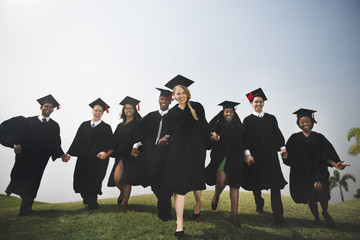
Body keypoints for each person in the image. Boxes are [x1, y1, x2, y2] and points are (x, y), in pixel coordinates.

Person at [158, 75, 220, 237]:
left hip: (195, 150)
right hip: (177, 152)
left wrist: (212, 135)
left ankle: (197, 204)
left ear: (187, 93)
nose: (180, 96)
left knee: (196, 184)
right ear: (174, 96)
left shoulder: (197, 107)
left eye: (182, 92)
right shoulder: (171, 113)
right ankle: (180, 224)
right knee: (179, 187)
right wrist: (165, 138)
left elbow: (204, 125)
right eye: (177, 94)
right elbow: (169, 133)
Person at [0, 94, 70, 216]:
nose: (48, 108)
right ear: (41, 107)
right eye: (46, 106)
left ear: (53, 110)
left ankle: (25, 208)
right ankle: (24, 205)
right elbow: (18, 135)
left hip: (40, 160)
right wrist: (15, 145)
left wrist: (62, 155)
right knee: (20, 178)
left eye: (50, 107)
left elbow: (55, 144)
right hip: (25, 158)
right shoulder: (28, 121)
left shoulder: (54, 126)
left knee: (33, 183)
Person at [282, 108, 350, 228]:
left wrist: (335, 164)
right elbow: (288, 155)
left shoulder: (319, 137)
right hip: (302, 172)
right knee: (310, 196)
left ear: (312, 122)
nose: (305, 124)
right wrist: (285, 156)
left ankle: (325, 211)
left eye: (307, 121)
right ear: (298, 123)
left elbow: (326, 154)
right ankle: (317, 218)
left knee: (319, 186)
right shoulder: (294, 137)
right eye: (302, 122)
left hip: (318, 170)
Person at [242, 88, 287, 224]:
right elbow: (245, 139)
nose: (258, 104)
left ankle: (278, 216)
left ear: (263, 103)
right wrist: (247, 154)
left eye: (260, 102)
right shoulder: (247, 120)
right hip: (255, 157)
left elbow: (277, 134)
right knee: (256, 184)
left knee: (275, 185)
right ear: (251, 103)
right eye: (256, 102)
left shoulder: (271, 118)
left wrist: (283, 148)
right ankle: (259, 202)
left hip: (270, 157)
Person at [131, 88, 173, 221]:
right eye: (162, 99)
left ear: (170, 101)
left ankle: (165, 212)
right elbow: (140, 134)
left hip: (167, 155)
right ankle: (164, 202)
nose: (164, 101)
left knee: (165, 182)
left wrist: (168, 137)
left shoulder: (173, 117)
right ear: (158, 100)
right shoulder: (150, 116)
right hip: (151, 155)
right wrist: (135, 146)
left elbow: (178, 132)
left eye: (166, 100)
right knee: (154, 183)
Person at [67, 98, 113, 210]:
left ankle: (93, 201)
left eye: (100, 111)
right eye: (96, 110)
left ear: (103, 113)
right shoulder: (84, 125)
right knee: (82, 177)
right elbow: (77, 140)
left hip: (97, 160)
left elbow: (110, 143)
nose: (97, 113)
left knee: (94, 179)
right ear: (92, 111)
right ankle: (86, 197)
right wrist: (68, 154)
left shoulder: (106, 128)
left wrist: (105, 152)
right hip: (84, 158)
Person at [97, 96, 142, 212]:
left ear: (135, 110)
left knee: (126, 180)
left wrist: (137, 149)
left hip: (131, 155)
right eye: (126, 108)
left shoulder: (138, 123)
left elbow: (141, 139)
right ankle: (122, 193)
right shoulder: (120, 126)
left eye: (131, 108)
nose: (129, 110)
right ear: (123, 110)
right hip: (120, 155)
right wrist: (106, 154)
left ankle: (125, 204)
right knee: (117, 179)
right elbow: (114, 142)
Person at [205, 100, 245, 227]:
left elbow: (244, 142)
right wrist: (213, 137)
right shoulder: (217, 125)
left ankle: (234, 217)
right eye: (227, 111)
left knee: (235, 186)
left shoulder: (239, 126)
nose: (229, 113)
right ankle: (217, 195)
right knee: (221, 182)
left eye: (231, 112)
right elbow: (209, 138)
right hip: (221, 158)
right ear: (223, 112)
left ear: (234, 112)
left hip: (236, 159)